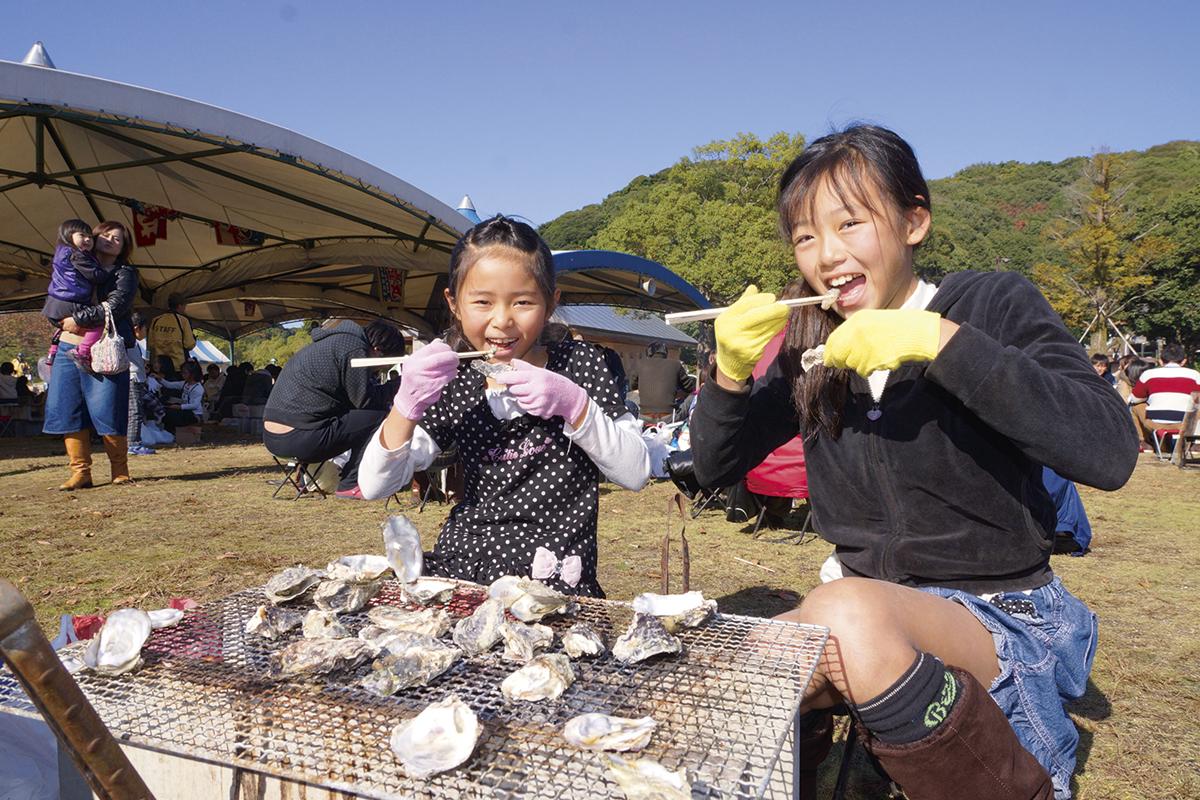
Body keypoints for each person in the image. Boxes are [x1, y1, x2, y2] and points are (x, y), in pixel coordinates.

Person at [689, 125, 1137, 800]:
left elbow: (1108, 450)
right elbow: (714, 466)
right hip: (866, 610)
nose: (827, 255)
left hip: (1003, 610)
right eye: (806, 236)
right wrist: (727, 374)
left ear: (914, 220)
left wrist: (942, 343)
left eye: (850, 223)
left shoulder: (990, 304)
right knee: (729, 675)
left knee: (841, 610)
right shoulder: (812, 341)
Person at [357, 215, 651, 596]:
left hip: (553, 576)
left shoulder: (580, 365)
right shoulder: (455, 380)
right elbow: (374, 485)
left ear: (550, 303)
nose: (502, 321)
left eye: (523, 302)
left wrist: (573, 403)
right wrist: (406, 405)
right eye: (482, 302)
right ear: (455, 304)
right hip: (463, 566)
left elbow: (636, 471)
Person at [42, 221, 138, 489]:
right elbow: (56, 298)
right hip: (67, 347)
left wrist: (76, 319)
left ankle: (120, 470)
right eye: (105, 234)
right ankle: (80, 471)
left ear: (123, 247)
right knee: (67, 408)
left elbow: (117, 306)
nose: (110, 239)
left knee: (108, 408)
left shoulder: (124, 273)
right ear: (92, 238)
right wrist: (61, 320)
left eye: (117, 238)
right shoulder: (73, 261)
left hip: (103, 349)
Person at [263, 320, 408, 497]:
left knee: (347, 417)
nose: (377, 372)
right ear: (377, 351)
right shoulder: (354, 349)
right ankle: (351, 482)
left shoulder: (333, 344)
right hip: (299, 438)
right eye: (382, 366)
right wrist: (399, 385)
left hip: (273, 437)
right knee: (378, 416)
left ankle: (309, 478)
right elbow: (365, 402)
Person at [41, 219, 105, 370]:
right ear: (68, 236)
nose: (88, 240)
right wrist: (107, 273)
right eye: (82, 235)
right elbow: (95, 275)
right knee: (99, 324)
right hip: (70, 300)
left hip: (54, 303)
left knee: (70, 326)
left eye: (90, 237)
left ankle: (54, 350)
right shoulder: (76, 255)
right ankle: (82, 352)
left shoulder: (60, 252)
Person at [1128, 343, 1200, 448]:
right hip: (1185, 424)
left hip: (1155, 423)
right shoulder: (1195, 375)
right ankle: (1195, 444)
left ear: (1160, 361)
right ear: (1184, 361)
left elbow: (1134, 399)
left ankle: (1143, 442)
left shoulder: (1148, 374)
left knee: (1136, 407)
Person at [125, 312, 155, 456]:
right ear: (137, 328)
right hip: (133, 379)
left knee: (134, 411)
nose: (145, 333)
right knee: (135, 412)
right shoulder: (128, 341)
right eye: (145, 329)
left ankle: (131, 442)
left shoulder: (132, 342)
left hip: (136, 378)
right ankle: (133, 444)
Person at [147, 293, 196, 372]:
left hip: (159, 366)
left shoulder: (156, 320)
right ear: (180, 306)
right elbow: (189, 344)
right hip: (178, 367)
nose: (184, 308)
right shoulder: (183, 321)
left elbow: (151, 344)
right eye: (184, 306)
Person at [156, 361, 205, 432]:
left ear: (193, 374)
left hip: (194, 415)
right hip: (185, 411)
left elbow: (195, 405)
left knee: (172, 414)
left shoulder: (198, 388)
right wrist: (159, 379)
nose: (182, 375)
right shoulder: (185, 383)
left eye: (185, 373)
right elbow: (169, 385)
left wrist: (179, 407)